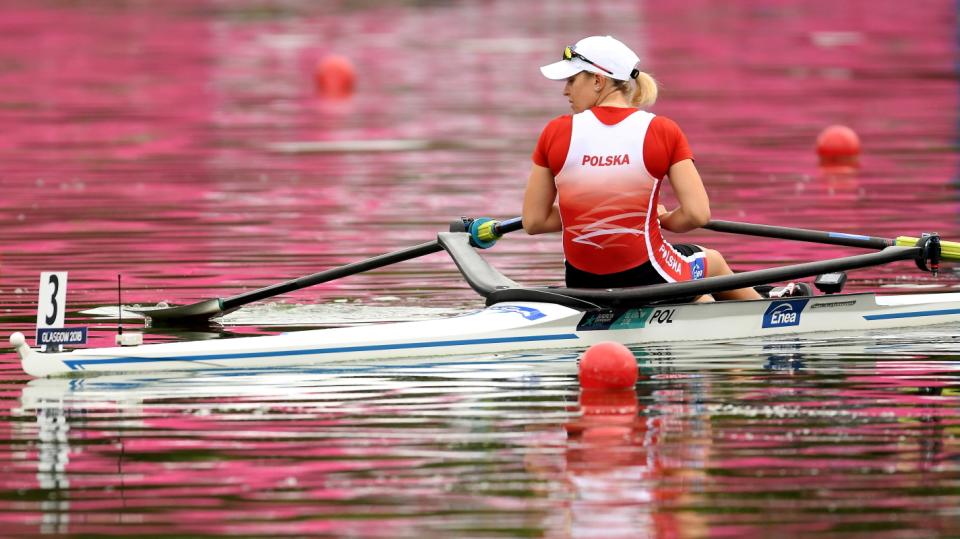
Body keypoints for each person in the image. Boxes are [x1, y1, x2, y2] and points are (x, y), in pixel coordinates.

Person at [521, 35, 762, 302]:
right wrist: (660, 217)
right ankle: (770, 315)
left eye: (571, 80)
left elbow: (534, 221)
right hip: (649, 276)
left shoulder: (555, 131)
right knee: (713, 262)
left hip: (582, 282)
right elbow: (697, 215)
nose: (565, 91)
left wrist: (586, 207)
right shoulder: (662, 130)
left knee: (699, 297)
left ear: (598, 81)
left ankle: (699, 305)